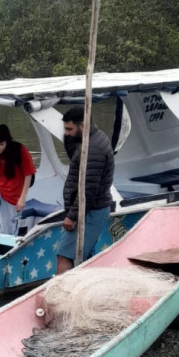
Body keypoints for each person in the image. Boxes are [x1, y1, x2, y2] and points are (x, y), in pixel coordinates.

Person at [56, 105, 115, 275]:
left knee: (64, 256)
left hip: (89, 210)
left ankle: (58, 297)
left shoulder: (93, 149)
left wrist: (72, 216)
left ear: (83, 125)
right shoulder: (90, 140)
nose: (66, 133)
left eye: (69, 129)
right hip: (91, 208)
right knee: (85, 258)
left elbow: (88, 189)